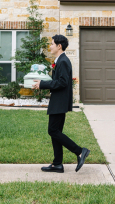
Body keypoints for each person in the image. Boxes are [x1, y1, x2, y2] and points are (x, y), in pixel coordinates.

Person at [32, 34, 90, 173]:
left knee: (53, 131)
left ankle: (80, 151)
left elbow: (63, 82)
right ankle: (57, 163)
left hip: (59, 102)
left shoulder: (63, 61)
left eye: (52, 44)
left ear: (59, 46)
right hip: (58, 101)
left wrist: (43, 84)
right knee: (55, 132)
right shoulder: (60, 60)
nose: (50, 46)